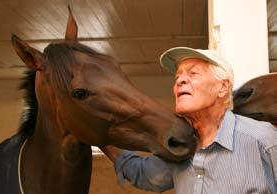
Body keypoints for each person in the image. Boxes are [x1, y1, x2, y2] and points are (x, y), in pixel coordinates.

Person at [100, 47, 277, 194]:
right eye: (177, 77)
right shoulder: (180, 148)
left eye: (193, 73)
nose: (180, 80)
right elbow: (143, 173)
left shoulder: (263, 139)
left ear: (223, 87)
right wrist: (98, 135)